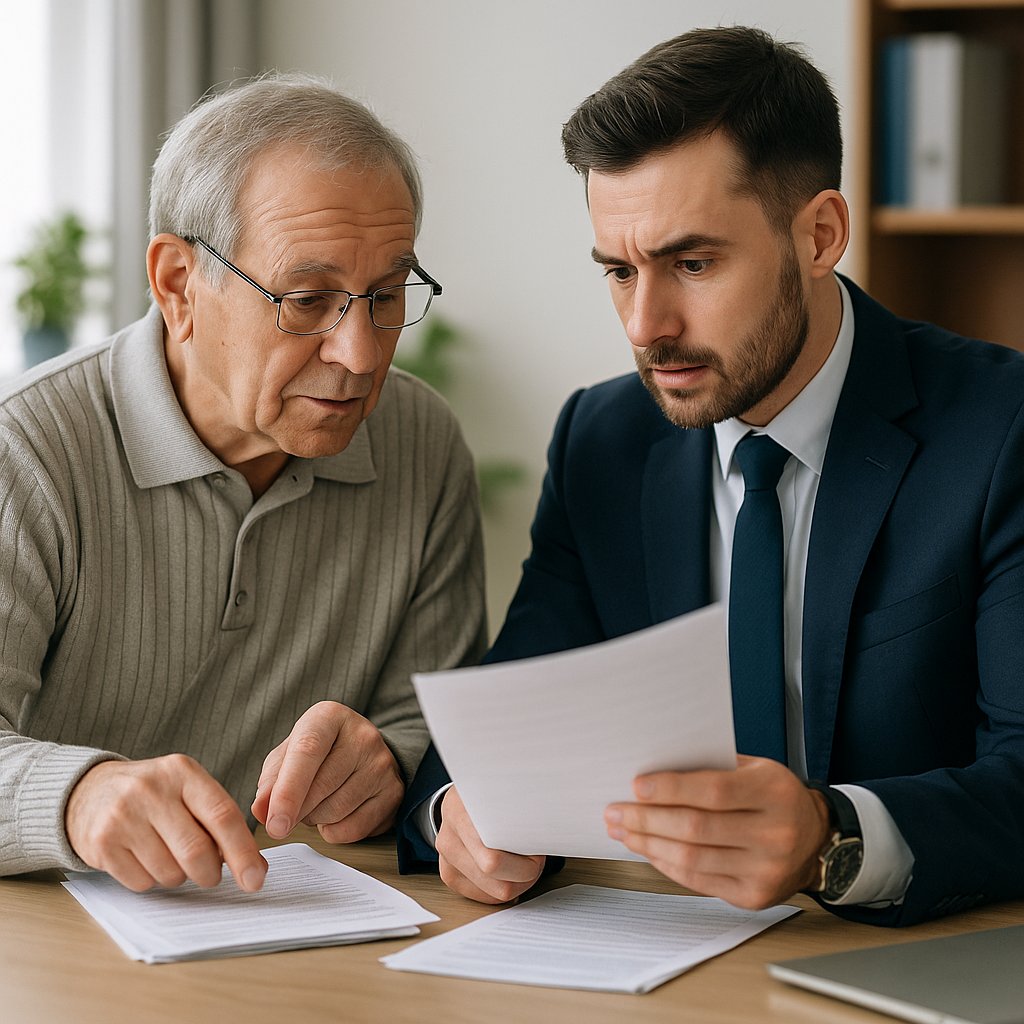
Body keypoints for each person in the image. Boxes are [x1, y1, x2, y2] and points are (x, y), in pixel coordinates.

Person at [397, 26, 1024, 927]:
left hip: (912, 954)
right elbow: (506, 721)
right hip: (665, 947)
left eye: (692, 264)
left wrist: (831, 838)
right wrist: (458, 812)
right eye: (620, 271)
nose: (645, 326)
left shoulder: (1001, 431)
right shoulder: (602, 440)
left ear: (819, 235)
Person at [0, 74, 487, 893]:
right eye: (308, 299)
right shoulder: (25, 449)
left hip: (308, 928)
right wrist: (80, 796)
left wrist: (391, 760)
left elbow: (437, 721)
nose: (361, 355)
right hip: (51, 938)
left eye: (386, 294)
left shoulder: (421, 442)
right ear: (178, 284)